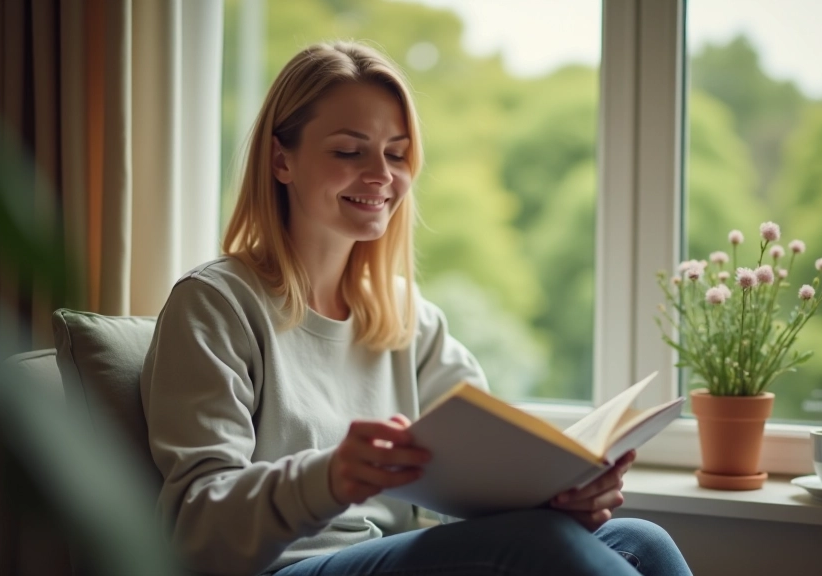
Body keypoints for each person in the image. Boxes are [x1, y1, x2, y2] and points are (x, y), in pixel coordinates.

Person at [139, 41, 692, 576]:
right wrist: (327, 478)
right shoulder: (216, 304)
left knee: (641, 540)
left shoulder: (407, 317)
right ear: (282, 160)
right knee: (533, 545)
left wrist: (560, 499)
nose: (381, 174)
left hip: (393, 553)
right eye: (349, 151)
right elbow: (197, 528)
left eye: (397, 153)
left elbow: (482, 481)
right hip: (284, 568)